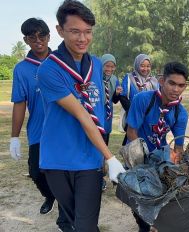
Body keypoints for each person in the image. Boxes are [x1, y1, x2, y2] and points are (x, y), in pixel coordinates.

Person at [37, 1, 125, 231]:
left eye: (88, 32)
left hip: (88, 159)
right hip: (57, 158)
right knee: (70, 218)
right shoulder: (49, 70)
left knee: (86, 225)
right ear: (60, 30)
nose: (82, 38)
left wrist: (102, 154)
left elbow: (96, 109)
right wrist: (110, 157)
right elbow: (81, 114)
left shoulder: (95, 64)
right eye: (75, 31)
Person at [126, 61, 189, 232]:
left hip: (158, 158)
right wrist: (143, 161)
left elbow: (178, 146)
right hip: (135, 154)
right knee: (137, 198)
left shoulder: (180, 113)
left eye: (181, 85)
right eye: (172, 83)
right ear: (162, 81)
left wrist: (177, 169)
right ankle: (143, 225)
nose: (176, 89)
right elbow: (132, 132)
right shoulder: (143, 100)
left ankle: (151, 223)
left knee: (159, 195)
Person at [10, 18, 56, 215]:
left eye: (42, 35)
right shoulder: (22, 69)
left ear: (49, 37)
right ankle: (49, 195)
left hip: (64, 130)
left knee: (65, 172)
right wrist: (14, 137)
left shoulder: (62, 62)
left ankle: (67, 211)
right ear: (26, 40)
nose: (38, 40)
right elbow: (20, 103)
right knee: (36, 173)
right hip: (38, 131)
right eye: (32, 37)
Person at [120, 54, 159, 144]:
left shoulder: (153, 80)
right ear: (137, 65)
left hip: (149, 118)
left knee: (148, 142)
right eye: (142, 66)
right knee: (133, 141)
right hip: (134, 116)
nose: (145, 69)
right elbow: (123, 96)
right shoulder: (129, 78)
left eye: (148, 66)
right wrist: (133, 111)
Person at [100, 54, 122, 191]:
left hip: (107, 118)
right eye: (107, 66)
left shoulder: (114, 79)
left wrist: (118, 94)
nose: (109, 69)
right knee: (96, 149)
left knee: (104, 148)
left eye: (112, 66)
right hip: (96, 117)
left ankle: (102, 176)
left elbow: (114, 100)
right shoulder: (95, 78)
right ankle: (98, 177)